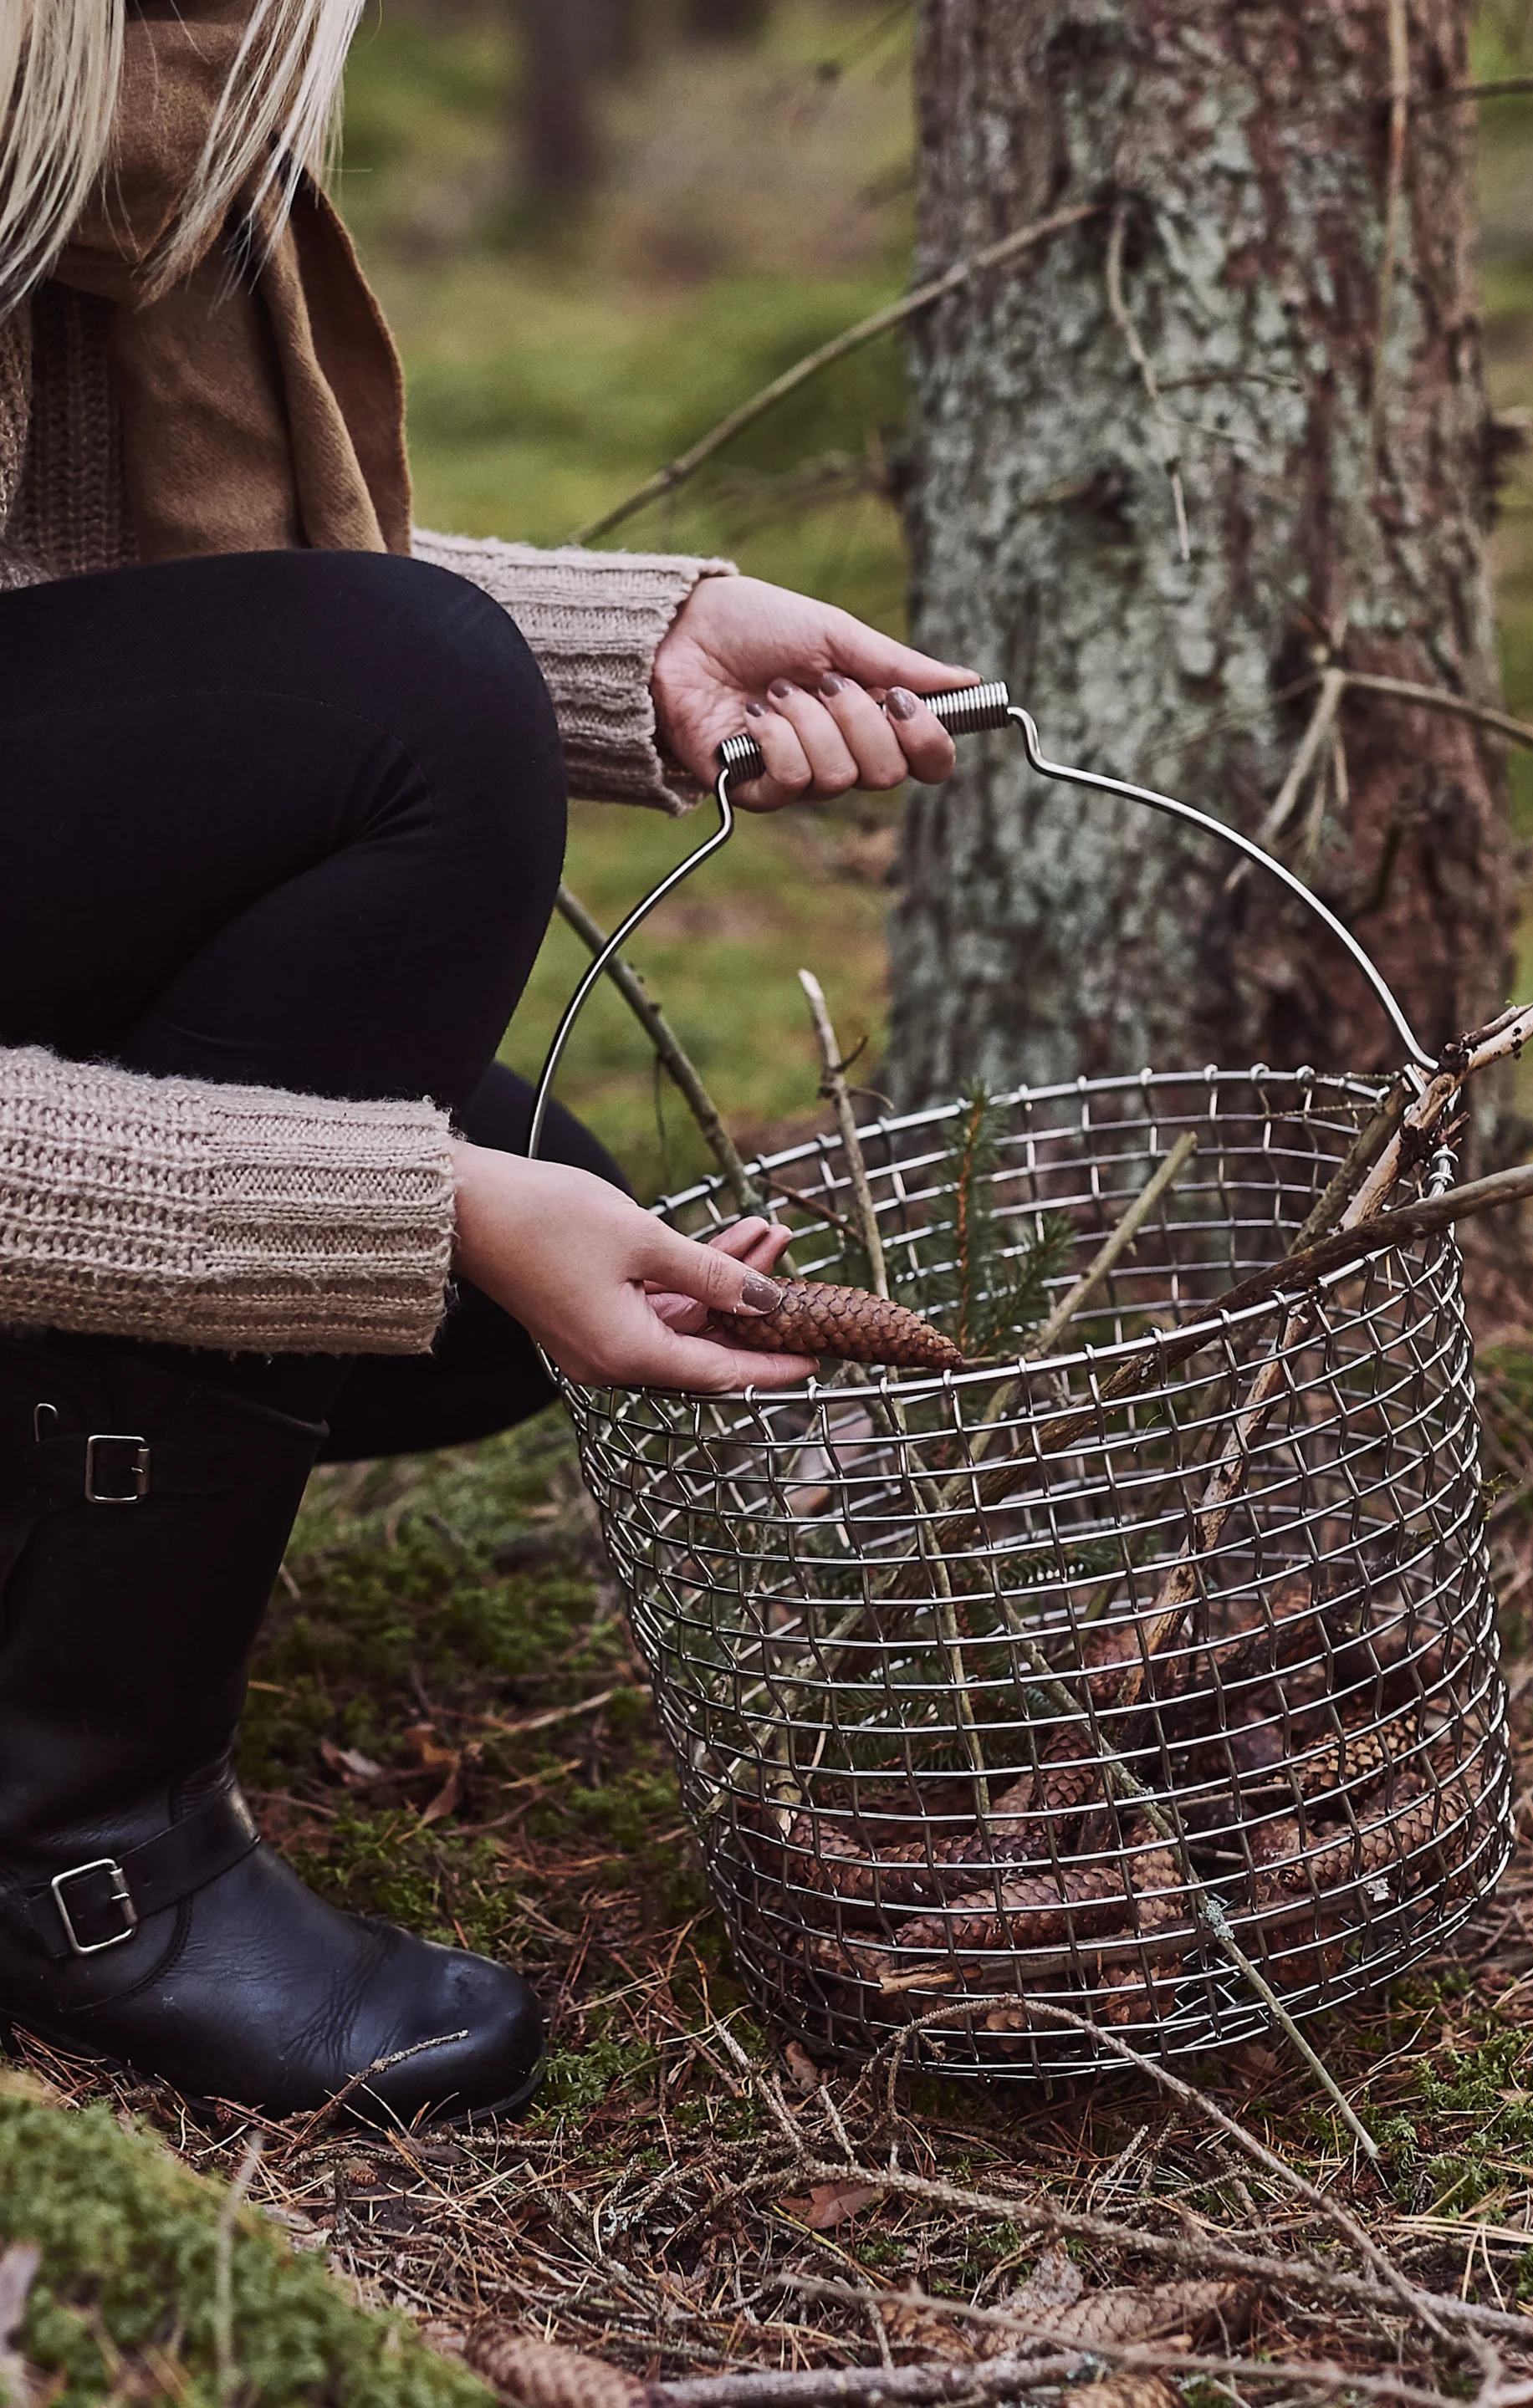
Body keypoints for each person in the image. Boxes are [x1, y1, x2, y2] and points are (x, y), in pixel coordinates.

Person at [0, 0, 976, 2126]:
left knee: (442, 1312)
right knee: (421, 1160)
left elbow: (96, 617)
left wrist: (633, 650)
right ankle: (80, 1844)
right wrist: (390, 1203)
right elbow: (336, 692)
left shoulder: (123, 121)